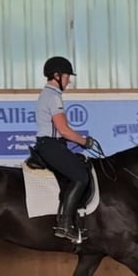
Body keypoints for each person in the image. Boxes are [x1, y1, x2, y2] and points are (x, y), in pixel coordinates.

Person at [33, 56, 96, 243]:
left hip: (52, 144)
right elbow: (64, 130)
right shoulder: (53, 97)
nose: (69, 80)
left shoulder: (49, 95)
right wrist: (84, 141)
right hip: (50, 145)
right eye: (67, 76)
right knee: (80, 176)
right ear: (57, 75)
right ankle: (65, 224)